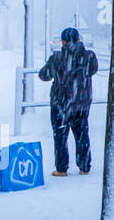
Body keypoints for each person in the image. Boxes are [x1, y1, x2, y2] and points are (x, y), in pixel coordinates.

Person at [37, 27, 98, 177]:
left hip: (60, 104)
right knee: (82, 135)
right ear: (78, 39)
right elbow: (93, 71)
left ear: (63, 41)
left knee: (60, 137)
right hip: (81, 104)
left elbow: (43, 76)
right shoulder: (89, 56)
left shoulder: (56, 58)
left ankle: (61, 169)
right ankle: (84, 167)